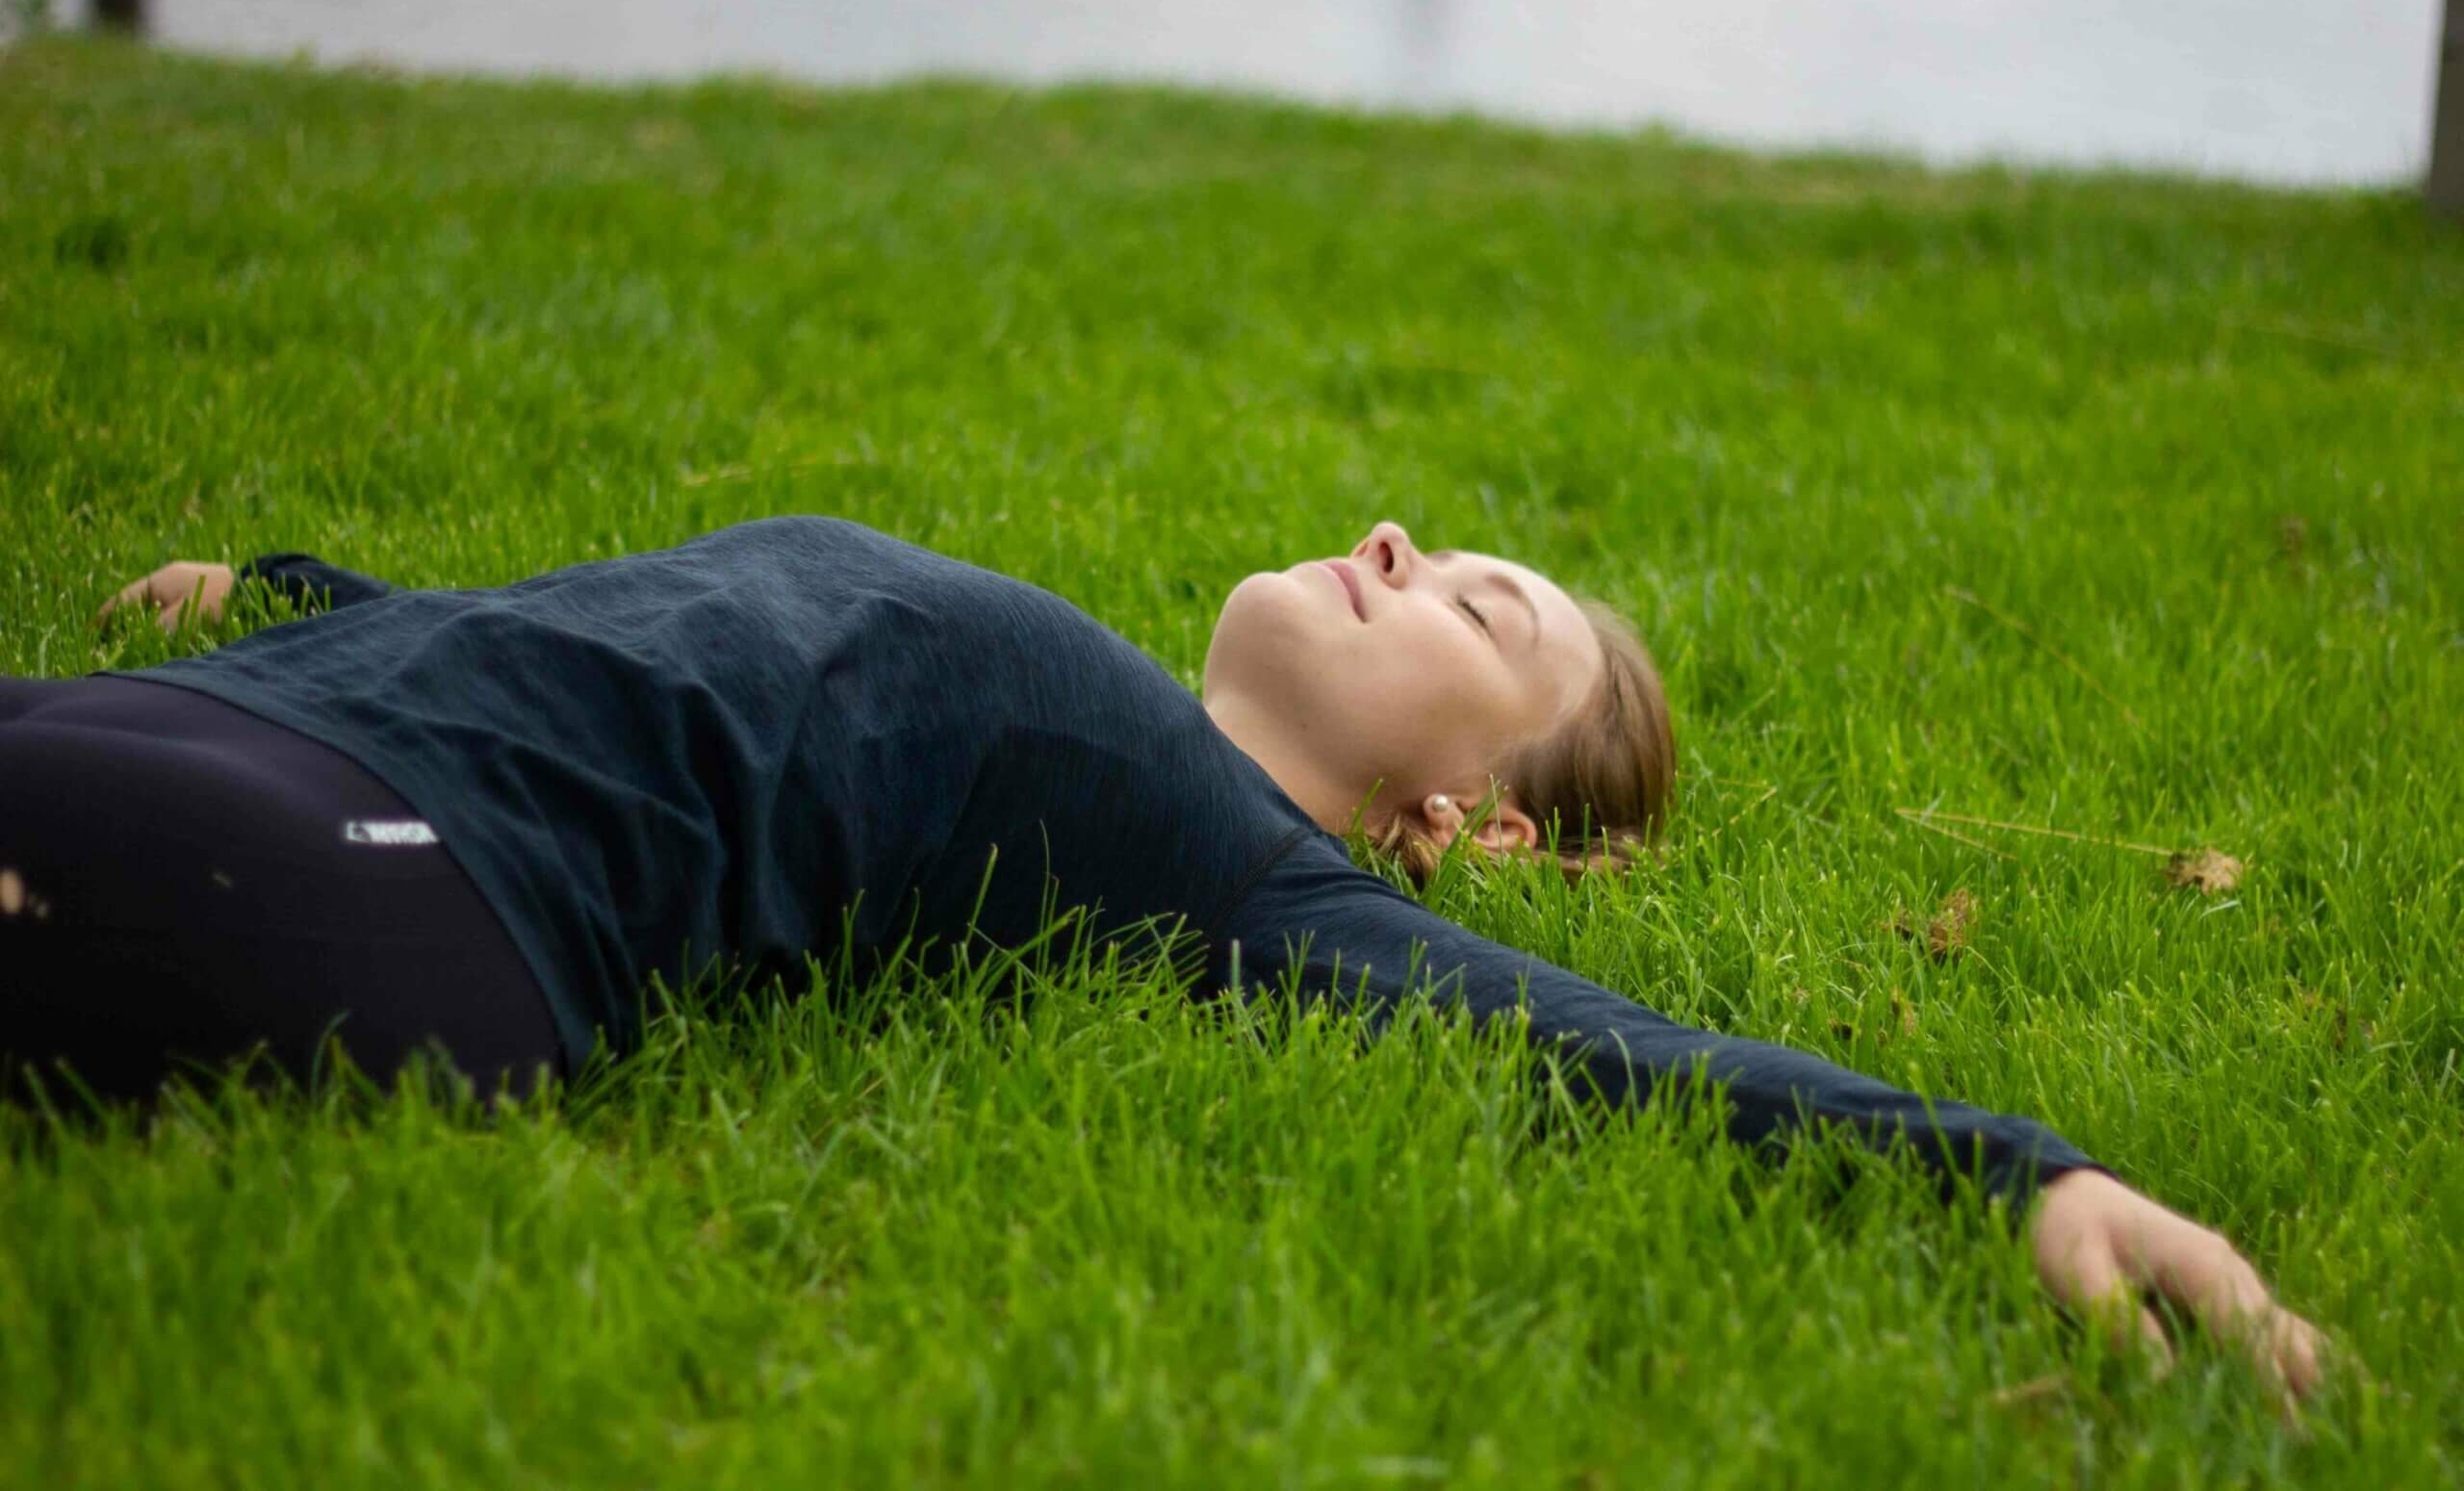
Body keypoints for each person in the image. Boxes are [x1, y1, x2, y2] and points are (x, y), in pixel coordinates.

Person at [1, 515, 2322, 1402]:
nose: (1392, 537)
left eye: (1470, 605)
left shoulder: (1236, 875)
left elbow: (1605, 1044)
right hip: (259, 739)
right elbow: (657, 633)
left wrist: (1999, 1165)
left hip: (372, 866)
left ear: (1467, 830)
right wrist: (330, 602)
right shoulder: (1091, 724)